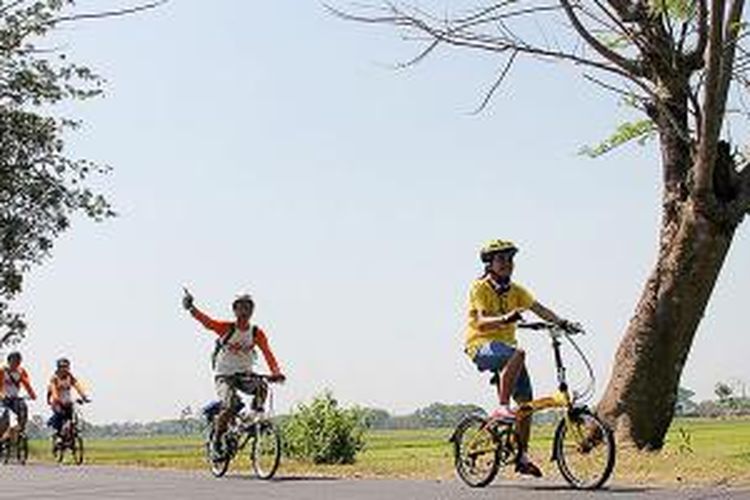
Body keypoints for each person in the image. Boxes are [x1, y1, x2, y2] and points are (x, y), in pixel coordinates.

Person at [464, 239, 573, 478]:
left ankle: (522, 456)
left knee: (526, 405)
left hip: (507, 353)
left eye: (510, 259)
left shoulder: (517, 291)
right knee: (519, 354)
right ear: (490, 264)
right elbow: (481, 321)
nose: (507, 264)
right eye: (501, 259)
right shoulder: (480, 287)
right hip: (480, 347)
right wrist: (506, 318)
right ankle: (502, 407)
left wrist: (563, 323)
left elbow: (539, 309)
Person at [183, 290, 285, 456]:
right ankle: (216, 440)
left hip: (245, 374)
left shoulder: (256, 333)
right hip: (224, 374)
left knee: (262, 387)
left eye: (248, 307)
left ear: (252, 310)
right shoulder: (227, 328)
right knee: (230, 405)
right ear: (235, 310)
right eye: (241, 307)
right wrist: (191, 308)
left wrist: (276, 372)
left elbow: (268, 354)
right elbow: (207, 322)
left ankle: (253, 419)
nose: (245, 311)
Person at [47, 357, 90, 438]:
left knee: (74, 415)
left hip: (68, 402)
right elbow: (53, 389)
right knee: (60, 415)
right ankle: (58, 435)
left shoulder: (70, 377)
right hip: (58, 403)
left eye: (66, 367)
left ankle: (73, 432)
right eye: (62, 367)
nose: (64, 369)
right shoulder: (54, 378)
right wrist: (56, 399)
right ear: (58, 368)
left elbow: (77, 386)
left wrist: (84, 396)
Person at [0, 351, 37, 437]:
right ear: (9, 361)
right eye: (14, 361)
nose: (16, 363)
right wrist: (1, 395)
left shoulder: (21, 371)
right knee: (3, 415)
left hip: (15, 398)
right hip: (3, 398)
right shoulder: (2, 371)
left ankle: (21, 429)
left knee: (23, 408)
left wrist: (32, 395)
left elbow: (27, 384)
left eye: (18, 361)